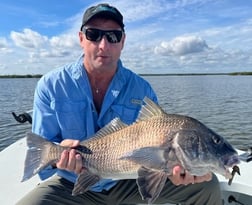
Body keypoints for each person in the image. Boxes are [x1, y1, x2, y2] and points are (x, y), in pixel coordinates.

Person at [17, 3, 222, 205]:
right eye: (93, 35)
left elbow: (159, 152)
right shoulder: (51, 85)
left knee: (207, 186)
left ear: (122, 41)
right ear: (81, 38)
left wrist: (177, 170)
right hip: (71, 182)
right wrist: (58, 154)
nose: (103, 45)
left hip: (127, 181)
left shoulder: (143, 90)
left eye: (113, 36)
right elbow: (44, 149)